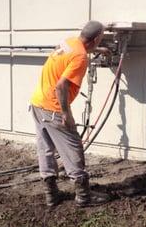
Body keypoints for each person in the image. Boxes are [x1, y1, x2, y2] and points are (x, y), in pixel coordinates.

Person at [30, 21, 110, 207]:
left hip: (38, 103)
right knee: (73, 148)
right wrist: (67, 114)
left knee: (46, 149)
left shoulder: (69, 42)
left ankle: (51, 194)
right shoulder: (81, 57)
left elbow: (73, 55)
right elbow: (61, 86)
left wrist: (98, 50)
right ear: (96, 38)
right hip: (53, 109)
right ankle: (84, 196)